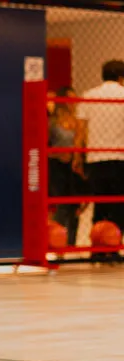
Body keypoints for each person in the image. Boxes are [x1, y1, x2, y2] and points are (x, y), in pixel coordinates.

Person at [77, 60, 124, 250]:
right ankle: (114, 246)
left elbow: (81, 131)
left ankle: (97, 248)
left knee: (100, 203)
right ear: (121, 77)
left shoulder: (88, 96)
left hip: (95, 158)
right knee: (119, 204)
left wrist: (78, 157)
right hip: (120, 157)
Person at [47, 86, 86, 245]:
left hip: (74, 164)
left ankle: (71, 244)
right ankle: (57, 242)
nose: (72, 103)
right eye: (69, 99)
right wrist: (58, 153)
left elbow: (81, 142)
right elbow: (45, 145)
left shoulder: (78, 120)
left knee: (75, 207)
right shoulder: (53, 121)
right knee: (62, 204)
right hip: (57, 164)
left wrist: (77, 157)